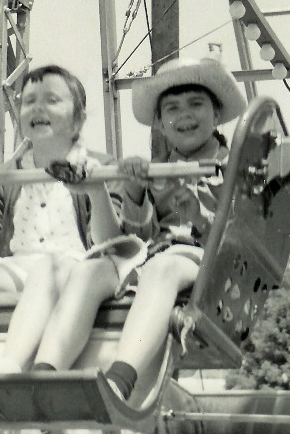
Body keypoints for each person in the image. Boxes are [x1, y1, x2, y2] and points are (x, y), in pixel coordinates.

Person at [0, 64, 135, 375]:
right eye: (29, 100)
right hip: (19, 269)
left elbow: (111, 247)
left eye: (51, 100)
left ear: (79, 120)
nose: (37, 108)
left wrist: (97, 191)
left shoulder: (102, 166)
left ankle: (8, 367)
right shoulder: (5, 175)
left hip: (76, 269)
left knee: (49, 265)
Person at [103, 56, 246, 401]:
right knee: (110, 271)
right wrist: (135, 191)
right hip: (158, 263)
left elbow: (246, 243)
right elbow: (136, 239)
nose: (184, 115)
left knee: (166, 266)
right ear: (160, 125)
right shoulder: (157, 172)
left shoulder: (239, 168)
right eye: (172, 109)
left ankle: (120, 378)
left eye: (196, 104)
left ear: (216, 115)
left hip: (218, 269)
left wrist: (199, 217)